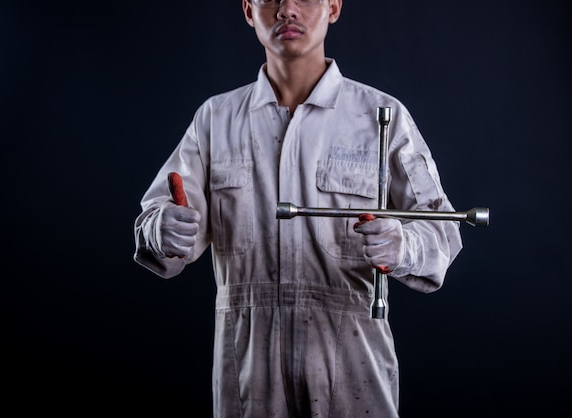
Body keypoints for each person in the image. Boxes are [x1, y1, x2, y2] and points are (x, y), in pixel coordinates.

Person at [133, 0, 463, 416]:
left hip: (352, 361)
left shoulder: (381, 117)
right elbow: (158, 220)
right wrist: (161, 229)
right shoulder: (215, 120)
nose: (287, 8)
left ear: (334, 6)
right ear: (249, 10)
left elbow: (443, 232)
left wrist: (403, 246)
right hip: (249, 369)